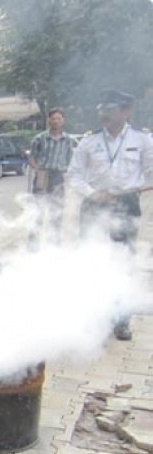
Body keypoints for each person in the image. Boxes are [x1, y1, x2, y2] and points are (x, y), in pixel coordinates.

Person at [68, 90, 153, 341]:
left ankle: (121, 320)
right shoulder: (89, 142)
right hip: (93, 204)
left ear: (125, 112)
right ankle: (91, 316)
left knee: (123, 262)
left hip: (125, 205)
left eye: (110, 110)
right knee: (90, 258)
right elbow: (74, 174)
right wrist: (93, 194)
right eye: (102, 110)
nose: (104, 114)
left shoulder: (142, 140)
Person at [27, 108, 73, 248]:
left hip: (58, 177)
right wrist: (36, 168)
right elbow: (31, 156)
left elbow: (70, 158)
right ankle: (33, 244)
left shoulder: (67, 140)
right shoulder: (39, 138)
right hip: (43, 176)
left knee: (57, 210)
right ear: (48, 120)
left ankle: (55, 243)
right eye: (53, 118)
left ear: (63, 121)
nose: (55, 121)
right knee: (38, 210)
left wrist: (66, 168)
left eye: (58, 119)